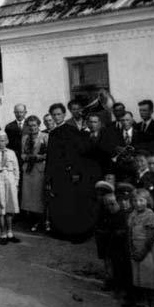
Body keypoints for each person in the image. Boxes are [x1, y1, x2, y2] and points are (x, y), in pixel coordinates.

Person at [45, 102, 101, 240]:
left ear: (64, 115)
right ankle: (62, 231)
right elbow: (51, 157)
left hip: (68, 173)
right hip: (57, 173)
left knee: (71, 203)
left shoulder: (70, 131)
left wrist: (74, 172)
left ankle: (74, 233)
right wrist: (48, 177)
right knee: (60, 202)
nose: (56, 117)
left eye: (59, 114)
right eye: (54, 114)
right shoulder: (54, 132)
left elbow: (77, 154)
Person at [127, 188, 154, 307]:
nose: (138, 203)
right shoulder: (133, 214)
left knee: (150, 277)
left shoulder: (149, 215)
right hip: (136, 246)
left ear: (147, 201)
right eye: (134, 201)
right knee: (140, 277)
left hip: (147, 249)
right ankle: (143, 303)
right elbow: (130, 232)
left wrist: (142, 253)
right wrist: (132, 248)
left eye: (141, 200)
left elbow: (150, 238)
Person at [20, 115, 48, 232]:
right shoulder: (25, 138)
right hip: (28, 171)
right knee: (29, 196)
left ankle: (44, 221)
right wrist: (27, 157)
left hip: (39, 170)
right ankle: (34, 221)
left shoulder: (45, 136)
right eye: (30, 125)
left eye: (34, 125)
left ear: (39, 125)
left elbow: (48, 154)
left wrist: (36, 157)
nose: (32, 128)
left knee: (39, 196)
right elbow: (22, 154)